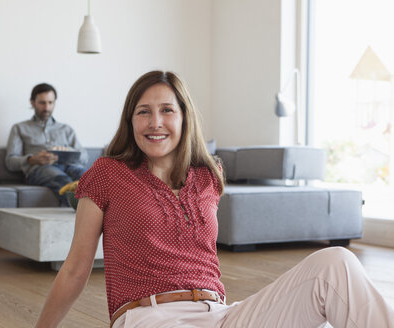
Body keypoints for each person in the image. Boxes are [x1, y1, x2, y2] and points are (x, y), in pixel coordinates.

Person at [35, 71, 394, 328]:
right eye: (143, 111)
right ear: (130, 121)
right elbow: (76, 268)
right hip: (149, 316)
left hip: (221, 314)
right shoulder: (107, 174)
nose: (154, 121)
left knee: (336, 263)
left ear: (184, 116)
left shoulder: (208, 176)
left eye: (167, 110)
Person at [5, 83, 88, 205]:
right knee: (64, 181)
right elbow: (10, 161)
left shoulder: (66, 129)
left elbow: (85, 157)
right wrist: (32, 159)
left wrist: (67, 151)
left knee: (89, 178)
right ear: (32, 103)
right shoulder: (19, 128)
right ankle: (85, 215)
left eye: (50, 103)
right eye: (42, 103)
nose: (47, 108)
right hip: (40, 169)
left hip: (69, 166)